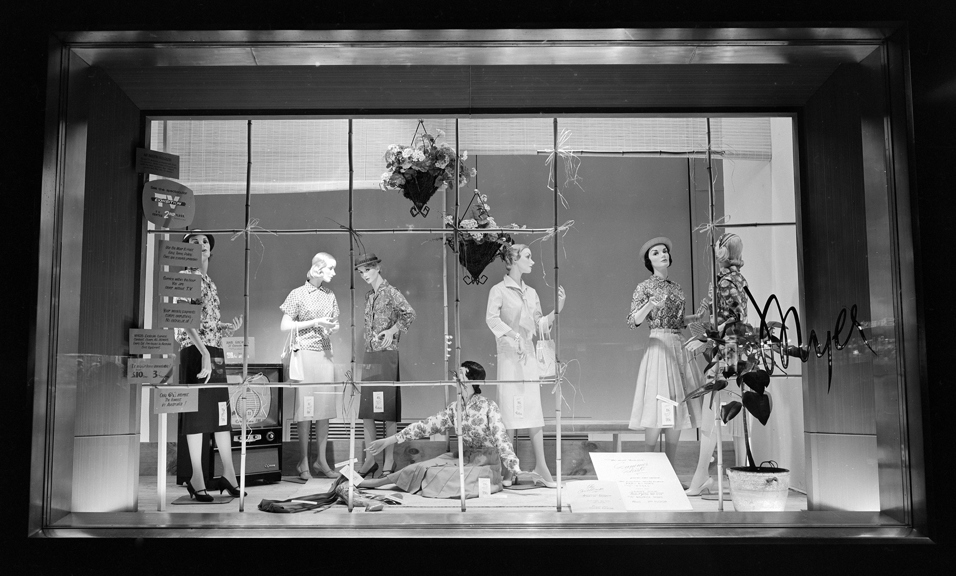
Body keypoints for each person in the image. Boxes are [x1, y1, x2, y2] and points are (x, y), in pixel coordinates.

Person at [356, 361, 522, 495]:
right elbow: (426, 426)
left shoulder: (489, 406)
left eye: (460, 374)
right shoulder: (454, 408)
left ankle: (389, 484)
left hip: (486, 464)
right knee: (420, 467)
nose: (455, 378)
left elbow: (502, 438)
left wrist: (514, 468)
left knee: (445, 477)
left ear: (471, 381)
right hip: (462, 458)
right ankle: (377, 483)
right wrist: (389, 440)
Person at [486, 243, 566, 486]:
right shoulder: (498, 290)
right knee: (509, 410)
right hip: (510, 356)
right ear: (513, 260)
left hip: (529, 356)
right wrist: (514, 337)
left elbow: (539, 324)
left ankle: (541, 467)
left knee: (533, 409)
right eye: (527, 257)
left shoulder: (531, 292)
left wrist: (557, 312)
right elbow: (492, 319)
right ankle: (509, 468)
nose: (532, 261)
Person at [175, 231, 245, 501]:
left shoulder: (208, 282)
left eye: (204, 241)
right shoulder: (186, 277)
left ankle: (228, 474)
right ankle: (197, 478)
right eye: (194, 242)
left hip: (212, 352)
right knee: (196, 416)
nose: (201, 244)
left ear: (210, 250)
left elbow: (208, 324)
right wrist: (204, 352)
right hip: (195, 353)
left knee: (220, 415)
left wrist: (227, 328)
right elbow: (184, 320)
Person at [626, 236, 705, 468]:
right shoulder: (644, 287)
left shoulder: (677, 288)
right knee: (656, 407)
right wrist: (651, 304)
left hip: (677, 344)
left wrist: (696, 318)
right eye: (656, 253)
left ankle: (669, 471)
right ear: (649, 261)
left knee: (677, 409)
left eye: (664, 251)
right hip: (658, 346)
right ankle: (650, 471)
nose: (663, 255)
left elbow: (679, 322)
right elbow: (633, 321)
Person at [686, 232, 749, 495]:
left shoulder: (725, 281)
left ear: (725, 251)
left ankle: (703, 476)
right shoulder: (732, 279)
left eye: (719, 245)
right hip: (735, 348)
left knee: (713, 414)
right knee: (734, 415)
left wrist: (706, 338)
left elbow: (735, 318)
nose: (715, 249)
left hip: (728, 350)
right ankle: (740, 477)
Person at [280, 252, 341, 480]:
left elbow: (335, 323)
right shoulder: (298, 294)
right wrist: (315, 322)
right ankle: (303, 461)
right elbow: (285, 325)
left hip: (325, 354)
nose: (333, 273)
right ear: (318, 268)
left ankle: (321, 460)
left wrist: (331, 328)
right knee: (305, 410)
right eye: (330, 268)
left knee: (324, 410)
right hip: (304, 354)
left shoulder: (330, 295)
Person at [355, 253, 416, 478]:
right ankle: (370, 459)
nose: (364, 276)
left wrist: (392, 331)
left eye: (368, 271)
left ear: (378, 268)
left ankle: (389, 460)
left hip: (388, 355)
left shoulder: (391, 292)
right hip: (370, 355)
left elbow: (409, 313)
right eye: (361, 273)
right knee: (367, 411)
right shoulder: (368, 296)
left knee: (388, 411)